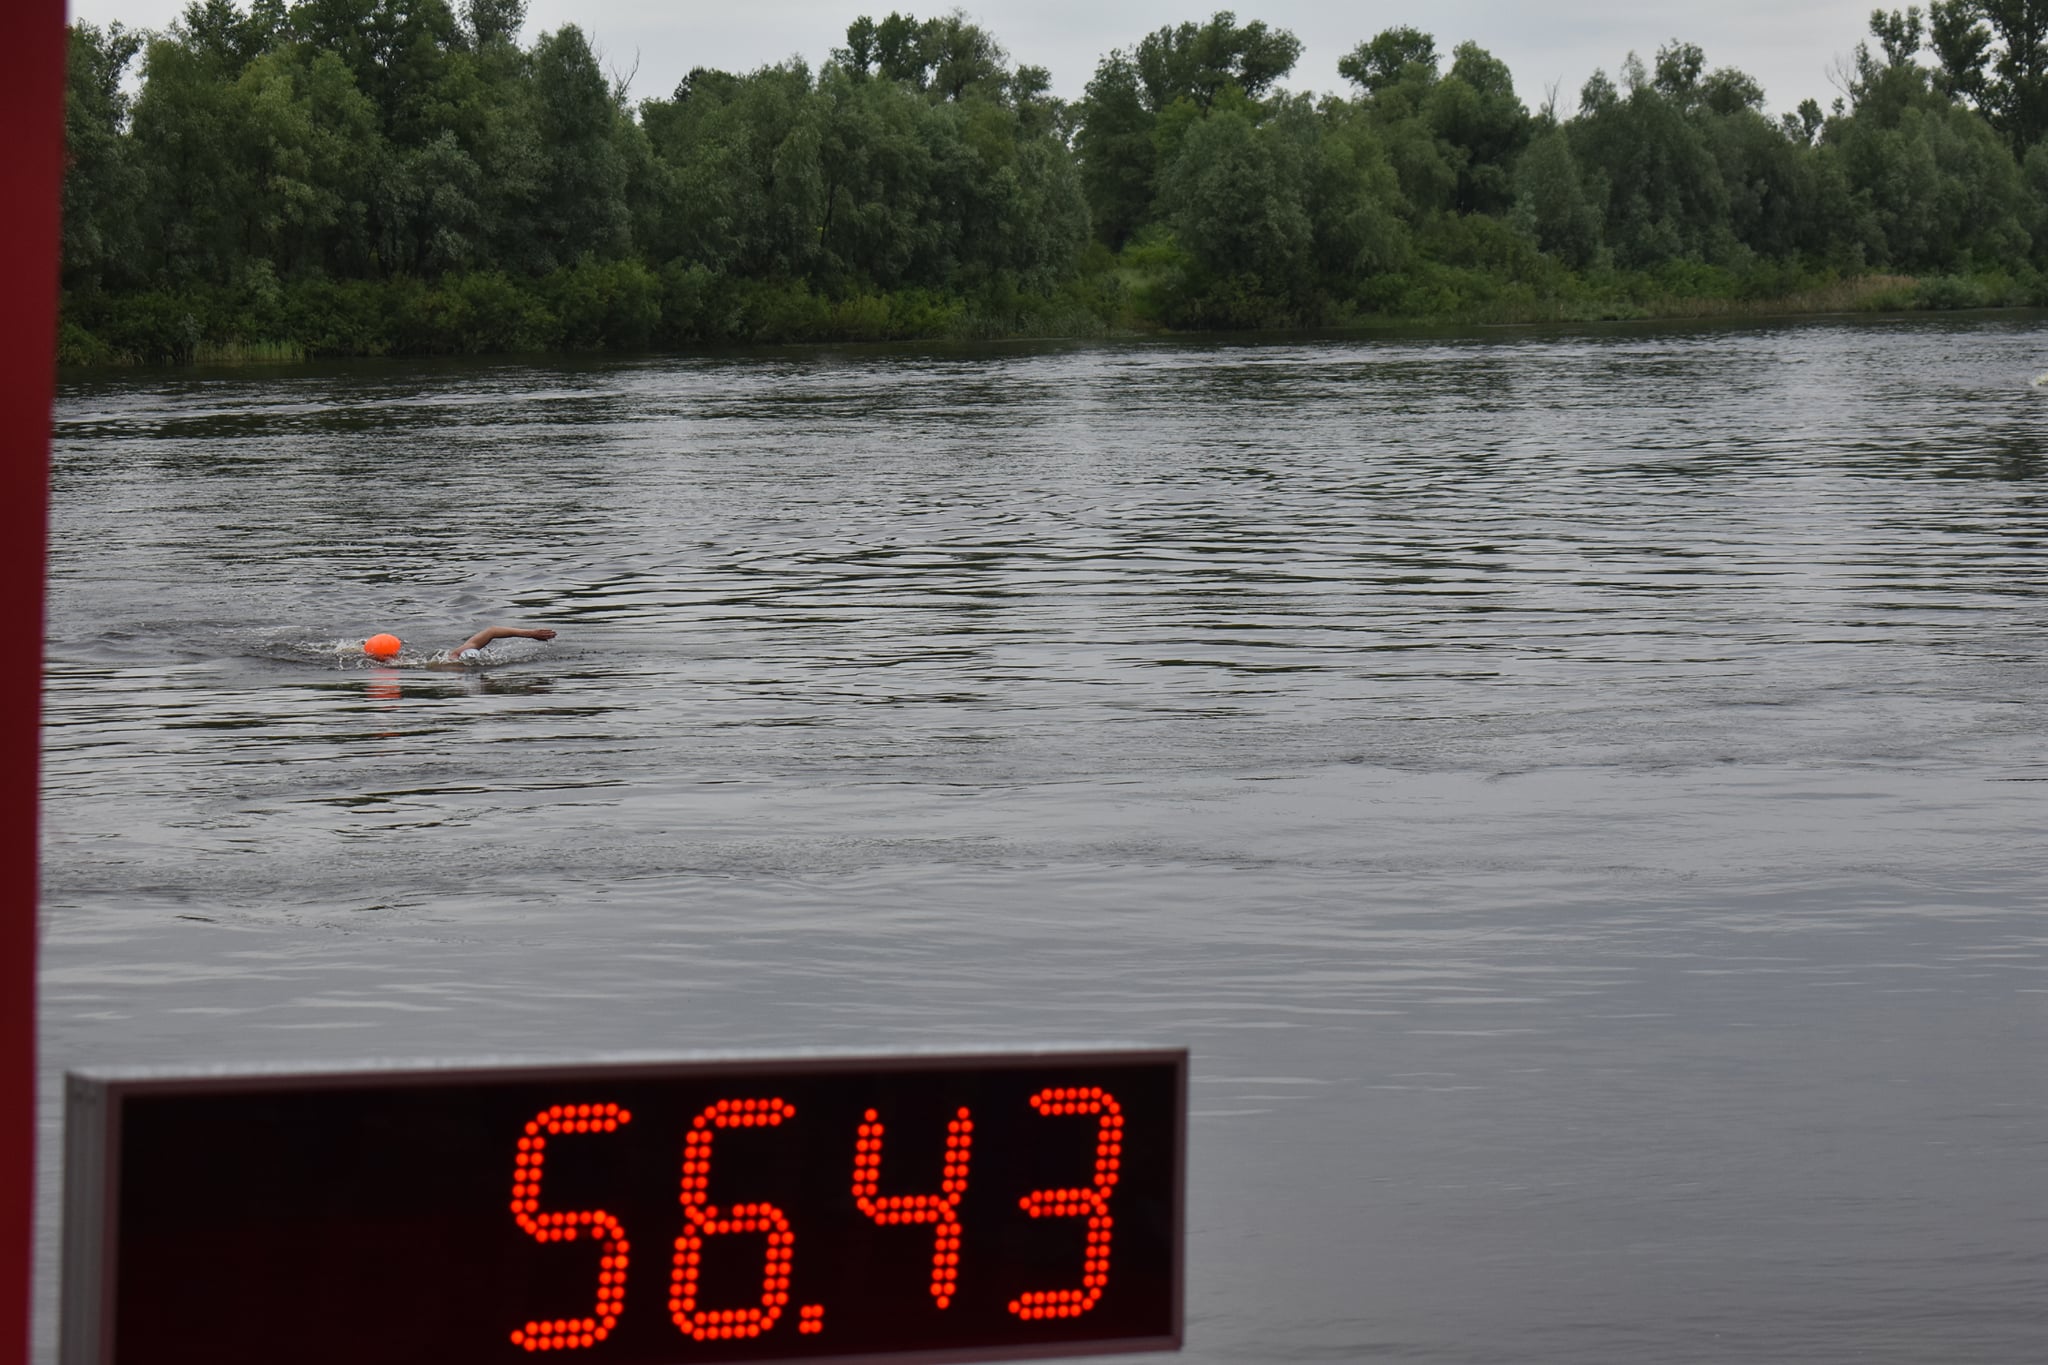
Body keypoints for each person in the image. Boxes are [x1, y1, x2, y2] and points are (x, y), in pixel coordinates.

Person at [361, 626, 557, 666]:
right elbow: (492, 631)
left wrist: (529, 634)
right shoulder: (447, 662)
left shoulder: (456, 654)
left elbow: (492, 631)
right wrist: (529, 634)